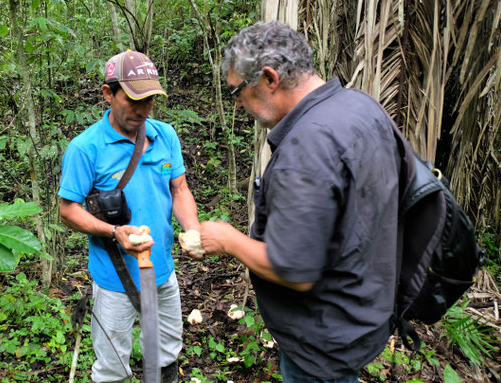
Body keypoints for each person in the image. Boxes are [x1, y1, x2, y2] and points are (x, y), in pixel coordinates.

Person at [189, 21, 401, 382]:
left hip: (323, 336)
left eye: (238, 91)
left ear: (270, 78)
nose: (238, 103)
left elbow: (294, 270)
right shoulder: (359, 106)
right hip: (364, 309)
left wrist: (227, 240)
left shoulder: (307, 147)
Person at [59, 50, 200, 383]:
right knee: (112, 368)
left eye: (150, 100)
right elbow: (67, 211)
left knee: (167, 353)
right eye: (133, 100)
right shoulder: (86, 148)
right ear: (108, 93)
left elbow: (179, 190)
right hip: (114, 278)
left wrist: (193, 231)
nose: (143, 109)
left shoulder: (164, 135)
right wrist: (114, 232)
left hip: (162, 273)